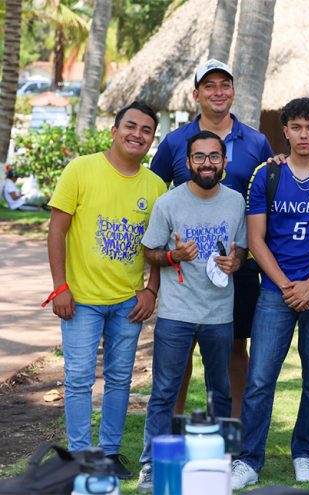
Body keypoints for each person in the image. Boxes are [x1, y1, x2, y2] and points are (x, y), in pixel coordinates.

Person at [231, 98, 309, 489]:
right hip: (275, 292)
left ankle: (304, 452)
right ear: (284, 131)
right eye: (296, 127)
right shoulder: (267, 175)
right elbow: (256, 239)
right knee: (260, 379)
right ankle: (249, 459)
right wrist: (286, 285)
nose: (304, 134)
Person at [45, 101, 167, 479]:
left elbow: (157, 246)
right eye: (130, 126)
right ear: (114, 130)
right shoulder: (80, 169)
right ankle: (81, 457)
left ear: (152, 139)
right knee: (79, 380)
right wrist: (60, 287)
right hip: (81, 300)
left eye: (146, 130)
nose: (137, 134)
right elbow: (57, 230)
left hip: (128, 302)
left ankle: (110, 453)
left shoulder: (155, 186)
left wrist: (151, 290)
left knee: (119, 379)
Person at [150, 59, 273, 418]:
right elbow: (155, 193)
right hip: (185, 272)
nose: (218, 92)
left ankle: (232, 427)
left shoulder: (256, 141)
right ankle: (173, 422)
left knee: (235, 346)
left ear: (233, 91)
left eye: (225, 85)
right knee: (181, 350)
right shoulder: (175, 141)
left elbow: (270, 190)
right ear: (196, 94)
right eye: (209, 86)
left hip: (237, 263)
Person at [136, 130, 248, 493]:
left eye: (214, 156)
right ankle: (151, 464)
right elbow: (149, 251)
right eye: (199, 157)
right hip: (176, 313)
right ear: (188, 163)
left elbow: (241, 250)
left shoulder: (235, 201)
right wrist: (174, 255)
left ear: (224, 162)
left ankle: (219, 461)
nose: (207, 163)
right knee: (164, 392)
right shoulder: (168, 202)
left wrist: (235, 262)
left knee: (221, 392)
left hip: (219, 314)